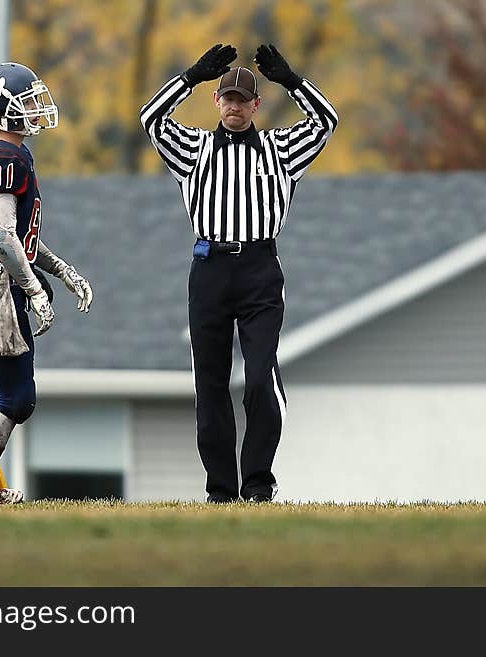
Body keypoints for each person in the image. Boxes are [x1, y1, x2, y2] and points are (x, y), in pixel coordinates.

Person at [140, 43, 338, 503]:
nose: (233, 106)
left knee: (260, 377)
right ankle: (221, 490)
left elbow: (326, 122)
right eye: (226, 98)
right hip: (208, 269)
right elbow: (151, 119)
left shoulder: (281, 149)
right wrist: (191, 76)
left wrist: (291, 80)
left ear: (255, 105)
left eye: (241, 99)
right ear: (217, 101)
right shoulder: (195, 148)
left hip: (259, 269)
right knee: (209, 383)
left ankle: (257, 484)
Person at [0, 62, 93, 507]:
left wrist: (63, 271)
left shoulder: (13, 154)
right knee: (17, 397)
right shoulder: (0, 156)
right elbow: (2, 235)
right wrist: (33, 288)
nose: (35, 109)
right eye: (25, 101)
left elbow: (23, 237)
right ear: (0, 109)